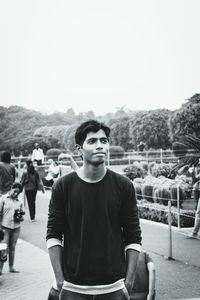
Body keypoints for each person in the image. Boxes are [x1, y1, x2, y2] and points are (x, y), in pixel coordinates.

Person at [46, 119, 142, 300]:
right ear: (79, 149)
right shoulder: (63, 186)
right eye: (92, 141)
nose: (100, 146)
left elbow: (133, 236)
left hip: (113, 287)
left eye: (103, 141)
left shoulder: (123, 186)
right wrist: (60, 281)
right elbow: (53, 235)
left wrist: (128, 283)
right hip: (73, 287)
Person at [0, 182, 24, 274]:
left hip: (16, 227)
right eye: (15, 191)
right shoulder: (3, 199)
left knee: (12, 247)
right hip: (5, 227)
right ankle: (0, 269)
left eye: (18, 193)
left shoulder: (20, 201)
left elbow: (22, 215)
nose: (16, 194)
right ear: (11, 188)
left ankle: (11, 267)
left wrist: (20, 216)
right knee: (3, 247)